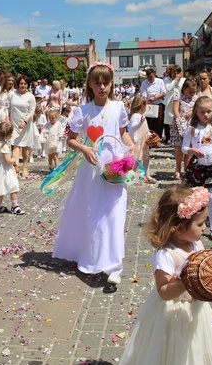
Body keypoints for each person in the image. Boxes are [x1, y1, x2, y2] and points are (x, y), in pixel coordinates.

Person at [118, 186, 212, 364]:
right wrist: (182, 282)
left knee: (194, 350)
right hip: (171, 313)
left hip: (195, 310)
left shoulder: (197, 244)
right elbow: (163, 291)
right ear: (178, 228)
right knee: (171, 353)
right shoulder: (166, 254)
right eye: (200, 224)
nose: (204, 228)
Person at [52, 62, 135, 285]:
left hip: (115, 168)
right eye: (97, 83)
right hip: (91, 170)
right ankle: (92, 256)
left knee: (115, 214)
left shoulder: (119, 108)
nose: (102, 87)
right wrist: (84, 148)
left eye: (106, 82)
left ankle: (114, 265)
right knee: (95, 215)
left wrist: (131, 145)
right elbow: (70, 140)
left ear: (111, 83)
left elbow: (122, 134)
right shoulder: (83, 111)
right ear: (90, 84)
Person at [182, 96, 212, 242]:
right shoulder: (192, 129)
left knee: (211, 197)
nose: (206, 115)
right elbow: (184, 147)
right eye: (202, 112)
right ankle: (195, 223)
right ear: (196, 112)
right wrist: (193, 150)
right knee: (195, 195)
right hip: (197, 165)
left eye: (209, 112)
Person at [0, 121, 24, 215]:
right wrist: (14, 159)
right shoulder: (4, 146)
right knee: (13, 186)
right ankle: (15, 206)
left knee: (0, 188)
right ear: (9, 134)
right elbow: (7, 160)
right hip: (5, 170)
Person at [9, 75, 37, 178]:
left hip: (26, 124)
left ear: (28, 85)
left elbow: (31, 111)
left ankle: (25, 167)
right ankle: (16, 168)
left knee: (25, 146)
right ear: (18, 84)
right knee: (15, 144)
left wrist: (25, 121)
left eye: (25, 83)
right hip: (14, 123)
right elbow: (7, 107)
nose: (23, 85)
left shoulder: (30, 96)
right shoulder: (12, 94)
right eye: (21, 83)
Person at [172, 78, 197, 180]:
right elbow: (175, 109)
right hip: (180, 125)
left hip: (191, 125)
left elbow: (197, 109)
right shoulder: (178, 97)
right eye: (189, 91)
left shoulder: (196, 98)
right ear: (184, 89)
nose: (192, 93)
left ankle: (187, 169)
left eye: (193, 91)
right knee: (179, 148)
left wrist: (191, 114)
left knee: (188, 148)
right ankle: (178, 169)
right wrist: (180, 119)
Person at [128, 95, 155, 183]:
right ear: (141, 106)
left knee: (146, 158)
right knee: (137, 159)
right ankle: (132, 175)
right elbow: (133, 127)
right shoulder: (135, 116)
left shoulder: (142, 116)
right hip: (137, 141)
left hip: (144, 141)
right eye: (144, 105)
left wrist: (150, 135)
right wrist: (140, 123)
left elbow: (145, 129)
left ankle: (146, 174)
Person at [140, 68, 166, 141]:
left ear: (154, 75)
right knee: (148, 123)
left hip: (158, 104)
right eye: (148, 77)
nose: (149, 79)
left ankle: (157, 139)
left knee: (158, 123)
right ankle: (149, 139)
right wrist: (146, 99)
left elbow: (163, 93)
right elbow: (143, 94)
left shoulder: (160, 81)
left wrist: (155, 98)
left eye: (151, 77)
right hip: (148, 105)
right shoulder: (144, 83)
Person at [163, 65, 183, 147]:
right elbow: (168, 88)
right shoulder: (167, 80)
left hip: (180, 102)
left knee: (180, 121)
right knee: (170, 123)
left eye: (177, 72)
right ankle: (172, 140)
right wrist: (175, 80)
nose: (175, 74)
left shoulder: (183, 80)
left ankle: (181, 139)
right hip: (170, 103)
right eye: (173, 72)